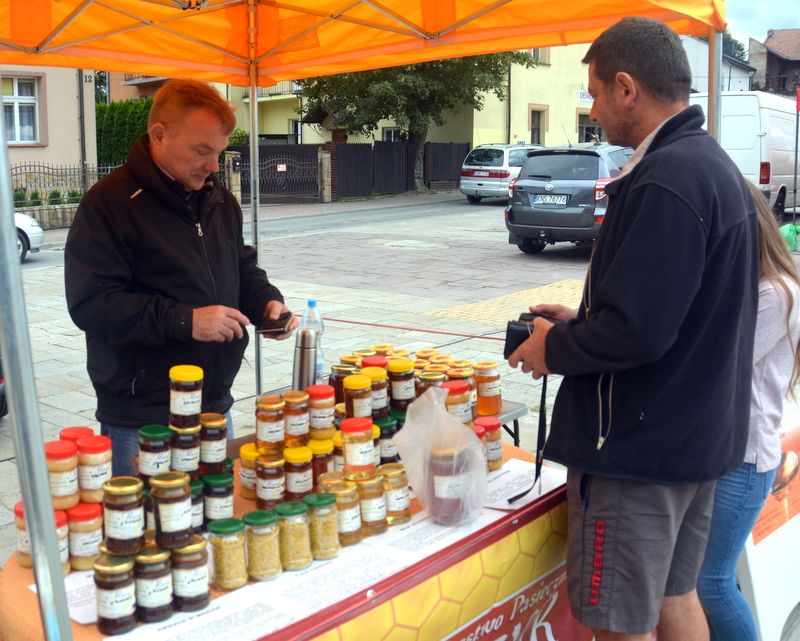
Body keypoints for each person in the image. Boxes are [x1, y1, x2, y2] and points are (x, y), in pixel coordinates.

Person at [508, 17, 759, 641]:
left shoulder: (668, 178)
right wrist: (583, 320)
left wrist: (554, 349)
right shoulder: (708, 166)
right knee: (678, 600)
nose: (592, 110)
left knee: (620, 626)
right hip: (691, 438)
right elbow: (674, 312)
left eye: (594, 94)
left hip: (641, 452)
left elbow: (640, 334)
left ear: (627, 88)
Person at [65, 79, 297, 476]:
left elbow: (240, 268)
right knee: (146, 530)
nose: (212, 165)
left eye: (219, 152)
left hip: (214, 403)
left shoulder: (219, 199)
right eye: (201, 150)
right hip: (143, 414)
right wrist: (188, 321)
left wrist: (265, 303)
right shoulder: (109, 203)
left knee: (213, 519)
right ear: (159, 135)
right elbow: (92, 304)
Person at [697, 182, 800, 640]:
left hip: (746, 458)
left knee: (712, 582)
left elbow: (722, 364)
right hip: (730, 451)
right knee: (709, 579)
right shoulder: (758, 286)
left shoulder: (776, 293)